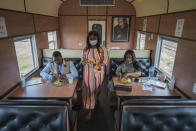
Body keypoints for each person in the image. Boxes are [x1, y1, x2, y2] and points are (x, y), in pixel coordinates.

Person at [82, 30, 108, 120]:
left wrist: (98, 65)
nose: (93, 40)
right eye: (91, 39)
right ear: (88, 39)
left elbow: (105, 61)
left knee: (98, 88)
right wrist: (87, 61)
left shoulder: (102, 48)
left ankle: (96, 98)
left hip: (99, 71)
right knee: (89, 90)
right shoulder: (85, 49)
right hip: (88, 72)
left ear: (98, 39)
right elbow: (83, 60)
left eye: (94, 39)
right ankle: (90, 110)